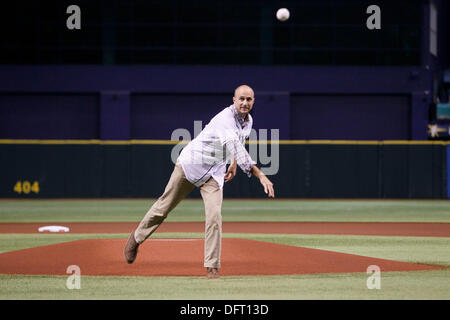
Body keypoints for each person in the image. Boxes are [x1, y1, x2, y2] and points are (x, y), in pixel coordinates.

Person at [124, 84, 275, 279]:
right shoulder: (225, 119)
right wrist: (261, 175)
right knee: (163, 208)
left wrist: (233, 163)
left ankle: (212, 266)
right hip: (190, 165)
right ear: (234, 100)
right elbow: (235, 146)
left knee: (214, 217)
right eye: (241, 99)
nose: (245, 103)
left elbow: (239, 144)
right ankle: (136, 239)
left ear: (253, 101)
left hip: (214, 174)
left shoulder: (248, 121)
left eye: (249, 99)